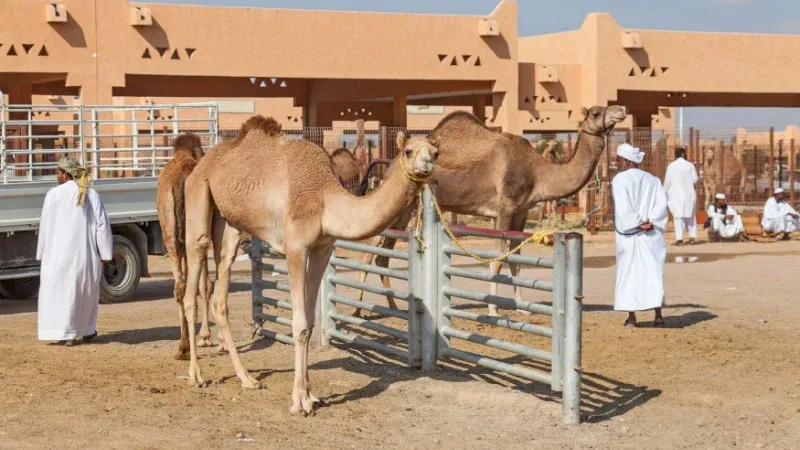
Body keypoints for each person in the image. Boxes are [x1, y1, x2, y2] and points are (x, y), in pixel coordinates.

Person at [36, 157, 113, 346]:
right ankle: (86, 330)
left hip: (57, 256)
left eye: (58, 172)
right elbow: (102, 226)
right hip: (84, 255)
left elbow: (45, 226)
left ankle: (65, 333)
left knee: (61, 294)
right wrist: (105, 254)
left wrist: (42, 253)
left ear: (65, 174)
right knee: (83, 294)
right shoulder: (91, 194)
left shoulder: (53, 195)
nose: (56, 175)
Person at [612, 143, 669, 327]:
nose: (616, 162)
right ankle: (658, 317)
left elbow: (623, 207)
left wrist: (637, 222)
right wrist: (650, 220)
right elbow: (662, 203)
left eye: (618, 159)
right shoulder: (654, 180)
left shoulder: (620, 180)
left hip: (630, 234)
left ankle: (632, 318)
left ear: (627, 162)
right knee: (653, 273)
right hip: (651, 234)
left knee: (629, 274)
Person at [663, 147, 699, 246]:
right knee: (690, 216)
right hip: (689, 194)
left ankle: (679, 239)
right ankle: (692, 238)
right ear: (683, 154)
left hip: (676, 195)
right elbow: (695, 179)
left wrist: (665, 193)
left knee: (678, 217)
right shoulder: (690, 165)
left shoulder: (671, 166)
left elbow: (667, 183)